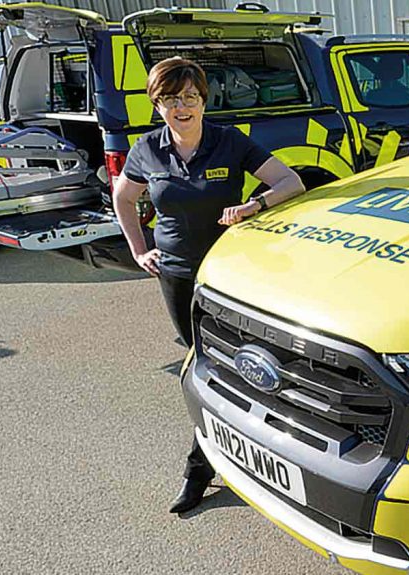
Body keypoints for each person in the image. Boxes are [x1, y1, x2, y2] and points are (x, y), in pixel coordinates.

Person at [112, 57, 305, 514]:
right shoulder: (147, 149)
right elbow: (123, 197)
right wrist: (139, 249)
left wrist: (253, 205)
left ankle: (199, 469)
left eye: (191, 97)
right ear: (157, 104)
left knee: (234, 367)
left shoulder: (228, 141)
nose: (182, 106)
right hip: (177, 274)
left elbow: (290, 182)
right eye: (171, 98)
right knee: (203, 366)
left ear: (204, 100)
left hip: (230, 273)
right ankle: (216, 457)